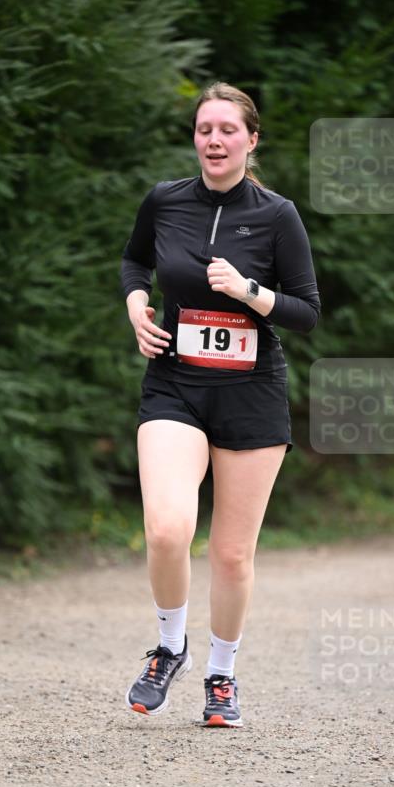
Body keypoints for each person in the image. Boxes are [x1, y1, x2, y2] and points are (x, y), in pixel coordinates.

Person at [120, 81, 321, 728]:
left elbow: (307, 312)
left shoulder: (276, 214)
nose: (214, 139)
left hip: (250, 396)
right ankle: (169, 646)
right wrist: (135, 309)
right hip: (174, 385)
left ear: (250, 139)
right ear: (194, 138)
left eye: (227, 130)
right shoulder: (164, 201)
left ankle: (222, 676)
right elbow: (132, 262)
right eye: (204, 129)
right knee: (166, 529)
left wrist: (248, 290)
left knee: (232, 554)